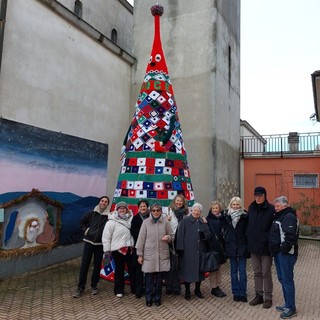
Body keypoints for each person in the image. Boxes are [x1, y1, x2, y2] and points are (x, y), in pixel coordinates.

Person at [136, 203, 174, 307]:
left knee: (159, 279)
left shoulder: (165, 222)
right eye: (154, 210)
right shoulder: (146, 222)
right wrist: (140, 255)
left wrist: (169, 238)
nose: (156, 212)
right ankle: (149, 297)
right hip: (149, 255)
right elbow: (141, 239)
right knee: (148, 278)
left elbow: (171, 235)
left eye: (158, 210)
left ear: (161, 211)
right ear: (151, 211)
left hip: (162, 254)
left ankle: (157, 297)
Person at [73, 196, 110, 298]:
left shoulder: (109, 216)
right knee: (84, 265)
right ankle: (80, 287)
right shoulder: (91, 213)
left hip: (100, 244)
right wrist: (86, 231)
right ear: (99, 202)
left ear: (108, 204)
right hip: (89, 242)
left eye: (106, 202)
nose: (103, 203)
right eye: (102, 201)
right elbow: (82, 222)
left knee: (97, 265)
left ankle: (94, 286)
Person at [269, 196, 299, 319]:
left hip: (285, 255)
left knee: (287, 280)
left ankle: (291, 308)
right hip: (279, 254)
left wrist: (282, 250)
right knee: (282, 279)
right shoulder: (281, 215)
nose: (275, 208)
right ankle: (287, 304)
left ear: (285, 205)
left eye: (277, 206)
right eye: (275, 206)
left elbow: (290, 237)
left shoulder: (289, 217)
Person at [176, 202, 211, 300]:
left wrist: (204, 236)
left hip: (199, 251)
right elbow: (180, 236)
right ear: (192, 211)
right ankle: (187, 291)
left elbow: (209, 234)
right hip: (188, 252)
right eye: (195, 210)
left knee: (199, 272)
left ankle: (197, 290)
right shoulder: (185, 221)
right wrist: (180, 249)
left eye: (198, 211)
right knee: (187, 272)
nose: (196, 212)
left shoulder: (202, 222)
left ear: (200, 212)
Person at [247, 186, 275, 309]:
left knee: (266, 273)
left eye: (260, 196)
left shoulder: (271, 209)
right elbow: (248, 224)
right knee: (257, 272)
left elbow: (273, 228)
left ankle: (268, 298)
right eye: (256, 196)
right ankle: (259, 295)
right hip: (253, 247)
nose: (257, 198)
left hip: (265, 248)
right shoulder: (251, 208)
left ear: (265, 196)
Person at [102, 201, 135, 298]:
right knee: (119, 270)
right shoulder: (111, 222)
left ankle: (134, 288)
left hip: (129, 248)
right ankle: (119, 290)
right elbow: (106, 237)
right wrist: (107, 250)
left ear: (127, 209)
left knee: (132, 269)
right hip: (118, 249)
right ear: (117, 210)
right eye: (120, 208)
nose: (122, 210)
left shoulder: (130, 220)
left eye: (124, 208)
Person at [224, 197, 248, 302]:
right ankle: (235, 292)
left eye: (237, 204)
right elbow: (214, 219)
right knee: (233, 271)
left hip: (242, 246)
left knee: (242, 271)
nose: (235, 206)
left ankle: (242, 292)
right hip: (231, 246)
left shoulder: (245, 216)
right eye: (233, 204)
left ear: (240, 205)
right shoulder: (226, 216)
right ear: (230, 205)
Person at [165, 194, 189, 295]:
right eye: (177, 200)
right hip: (171, 240)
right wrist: (166, 220)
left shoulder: (186, 214)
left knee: (178, 265)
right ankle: (169, 286)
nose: (179, 202)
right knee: (170, 265)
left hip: (181, 241)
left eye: (181, 201)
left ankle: (176, 286)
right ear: (174, 201)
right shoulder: (168, 211)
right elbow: (163, 225)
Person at [206, 201, 227, 298]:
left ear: (219, 209)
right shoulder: (208, 220)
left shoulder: (223, 219)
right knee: (213, 268)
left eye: (217, 208)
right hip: (212, 246)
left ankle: (218, 286)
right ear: (211, 209)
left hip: (221, 246)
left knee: (219, 268)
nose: (215, 210)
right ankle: (213, 287)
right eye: (213, 208)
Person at [130, 199, 150, 298]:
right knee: (138, 270)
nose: (143, 208)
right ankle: (138, 291)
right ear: (138, 208)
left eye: (144, 206)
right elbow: (133, 231)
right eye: (141, 206)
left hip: (150, 248)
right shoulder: (135, 218)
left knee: (148, 271)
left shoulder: (151, 216)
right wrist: (143, 233)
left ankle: (148, 289)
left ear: (147, 207)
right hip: (139, 247)